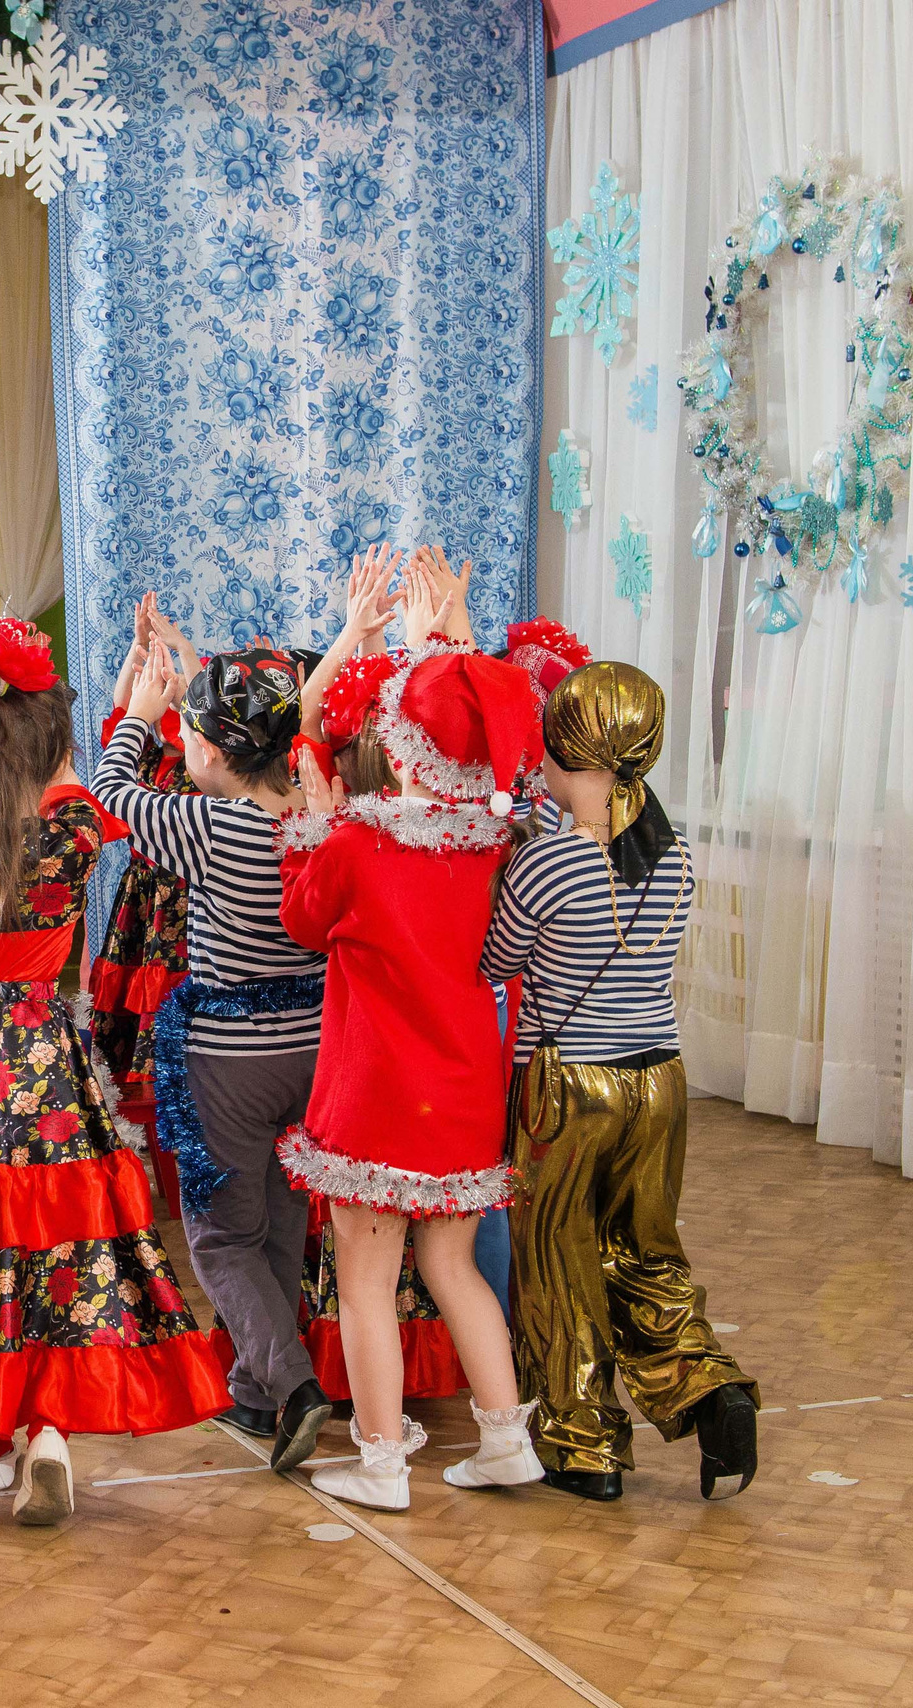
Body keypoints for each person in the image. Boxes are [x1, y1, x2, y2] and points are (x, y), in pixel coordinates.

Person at [0, 611, 230, 1528]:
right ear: (47, 738)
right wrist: (127, 705)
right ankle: (47, 1432)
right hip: (39, 1052)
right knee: (48, 1238)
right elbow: (98, 783)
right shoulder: (74, 830)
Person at [278, 555, 545, 1512]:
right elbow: (464, 719)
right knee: (452, 1262)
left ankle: (383, 1460)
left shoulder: (358, 840)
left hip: (376, 1090)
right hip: (466, 1086)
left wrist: (312, 823)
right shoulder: (500, 837)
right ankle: (505, 1437)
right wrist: (454, 640)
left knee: (365, 1276)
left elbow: (306, 922)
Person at [483, 661, 759, 1502]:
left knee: (557, 1261)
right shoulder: (673, 855)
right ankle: (709, 1389)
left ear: (575, 755)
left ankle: (583, 1447)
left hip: (569, 1087)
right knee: (648, 1251)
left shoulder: (545, 867)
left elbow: (496, 963)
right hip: (659, 1082)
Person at [90, 635, 332, 1474]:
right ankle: (257, 1390)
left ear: (221, 753)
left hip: (228, 1060)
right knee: (276, 1222)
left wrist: (137, 716)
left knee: (221, 1240)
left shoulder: (209, 826)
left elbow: (111, 793)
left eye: (190, 738)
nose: (180, 747)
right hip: (313, 1053)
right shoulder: (316, 814)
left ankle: (294, 1385)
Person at [85, 595, 204, 1143]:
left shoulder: (205, 765)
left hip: (181, 909)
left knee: (175, 1019)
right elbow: (122, 720)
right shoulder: (151, 754)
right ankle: (153, 1132)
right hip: (142, 903)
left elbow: (200, 711)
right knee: (132, 1022)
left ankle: (185, 1128)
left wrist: (182, 648)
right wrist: (138, 647)